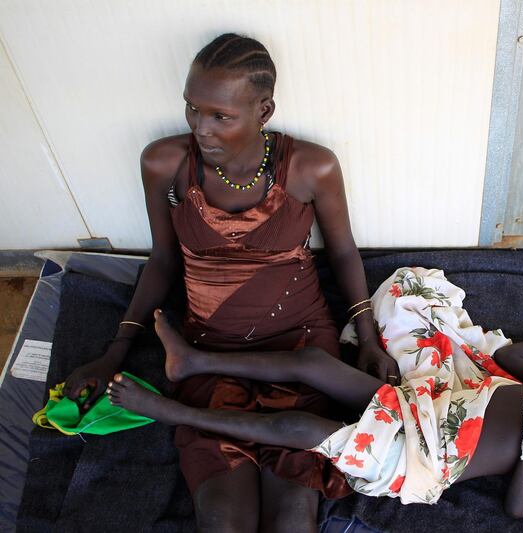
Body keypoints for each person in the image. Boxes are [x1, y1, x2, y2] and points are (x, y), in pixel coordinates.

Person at [64, 33, 398, 532]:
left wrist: (367, 338)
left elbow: (344, 251)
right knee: (222, 517)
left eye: (221, 115)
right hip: (206, 350)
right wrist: (117, 350)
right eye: (192, 109)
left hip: (301, 350)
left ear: (264, 111)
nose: (201, 127)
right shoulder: (165, 164)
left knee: (293, 513)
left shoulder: (311, 167)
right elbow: (162, 259)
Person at [108, 267, 523, 521]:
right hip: (418, 406)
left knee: (306, 432)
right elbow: (507, 359)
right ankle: (194, 359)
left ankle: (171, 411)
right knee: (314, 363)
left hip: (421, 459)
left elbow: (521, 509)